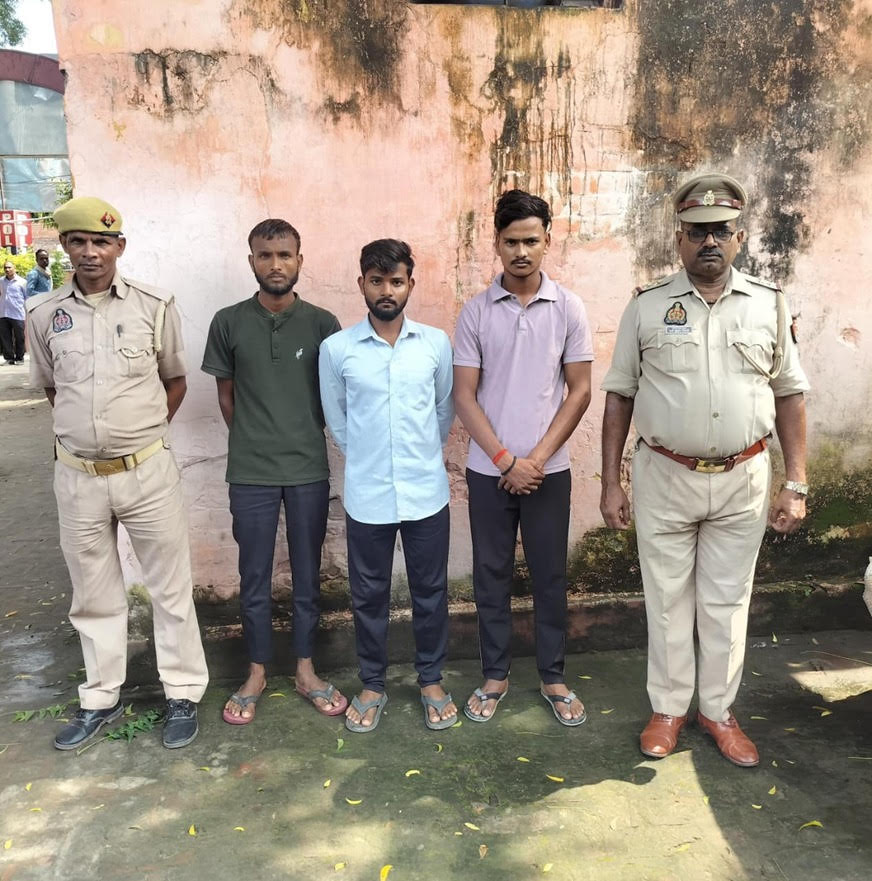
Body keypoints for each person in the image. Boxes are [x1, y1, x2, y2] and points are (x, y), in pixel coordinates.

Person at [600, 173, 809, 767]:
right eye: (697, 232)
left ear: (739, 236)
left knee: (727, 602)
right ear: (679, 239)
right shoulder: (647, 306)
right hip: (665, 475)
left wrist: (795, 482)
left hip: (744, 478)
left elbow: (790, 394)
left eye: (720, 230)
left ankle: (717, 711)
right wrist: (611, 482)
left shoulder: (768, 303)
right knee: (667, 600)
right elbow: (619, 395)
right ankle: (668, 709)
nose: (709, 241)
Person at [26, 197, 209, 750]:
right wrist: (89, 441)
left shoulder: (155, 305)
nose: (90, 252)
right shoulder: (42, 314)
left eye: (102, 241)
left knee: (169, 587)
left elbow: (175, 381)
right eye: (79, 241)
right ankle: (101, 698)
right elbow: (52, 387)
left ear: (119, 247)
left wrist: (137, 437)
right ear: (65, 246)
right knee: (93, 593)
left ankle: (182, 693)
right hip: (77, 477)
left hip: (146, 471)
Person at [453, 190, 594, 727]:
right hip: (489, 472)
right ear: (496, 242)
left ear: (547, 241)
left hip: (548, 473)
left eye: (531, 241)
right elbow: (464, 396)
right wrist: (506, 461)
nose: (521, 252)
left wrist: (534, 459)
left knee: (549, 575)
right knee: (490, 575)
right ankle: (495, 675)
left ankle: (553, 677)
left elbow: (579, 391)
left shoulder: (569, 308)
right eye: (511, 242)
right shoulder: (475, 311)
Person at [202, 218, 347, 724]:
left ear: (300, 260)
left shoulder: (323, 324)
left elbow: (334, 394)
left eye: (285, 254)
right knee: (254, 575)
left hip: (307, 467)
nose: (276, 264)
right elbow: (226, 396)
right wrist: (254, 438)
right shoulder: (228, 322)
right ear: (252, 262)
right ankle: (257, 672)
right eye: (265, 255)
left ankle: (306, 670)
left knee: (307, 573)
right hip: (250, 471)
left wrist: (299, 433)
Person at [319, 239, 456, 733]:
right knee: (368, 596)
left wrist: (416, 454)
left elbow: (443, 410)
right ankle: (373, 684)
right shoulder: (337, 350)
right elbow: (337, 420)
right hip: (368, 495)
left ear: (410, 285)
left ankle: (431, 681)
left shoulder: (435, 344)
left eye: (396, 281)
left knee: (431, 592)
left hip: (426, 492)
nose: (386, 291)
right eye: (376, 281)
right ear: (362, 284)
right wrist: (371, 458)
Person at [0, 260, 27, 364]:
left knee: (19, 337)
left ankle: (20, 358)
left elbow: (27, 297)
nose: (7, 269)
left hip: (17, 313)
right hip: (3, 313)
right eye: (5, 268)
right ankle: (9, 358)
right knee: (5, 337)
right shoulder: (1, 281)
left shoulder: (22, 282)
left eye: (9, 267)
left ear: (14, 268)